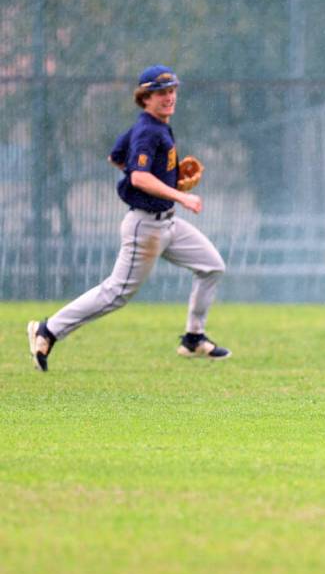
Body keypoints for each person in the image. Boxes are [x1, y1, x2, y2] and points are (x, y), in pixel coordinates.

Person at [26, 64, 231, 371]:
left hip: (168, 223)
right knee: (116, 293)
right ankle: (49, 330)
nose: (169, 97)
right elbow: (138, 177)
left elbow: (117, 157)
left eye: (172, 90)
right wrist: (180, 194)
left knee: (212, 266)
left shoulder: (151, 126)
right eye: (161, 92)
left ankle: (193, 338)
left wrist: (166, 181)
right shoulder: (149, 130)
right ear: (144, 97)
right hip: (145, 227)